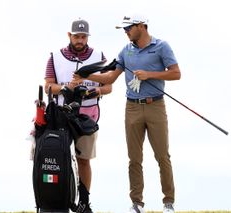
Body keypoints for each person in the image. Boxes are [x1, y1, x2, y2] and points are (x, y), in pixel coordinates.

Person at [73, 14, 181, 213]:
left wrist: (150, 74)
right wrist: (85, 77)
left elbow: (176, 73)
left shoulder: (161, 46)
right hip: (131, 107)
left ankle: (168, 203)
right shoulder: (126, 51)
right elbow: (110, 78)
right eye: (124, 29)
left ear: (141, 26)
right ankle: (136, 204)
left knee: (162, 156)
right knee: (134, 158)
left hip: (155, 105)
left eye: (128, 28)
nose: (125, 32)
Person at [44, 18, 112, 213]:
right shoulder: (55, 57)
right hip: (61, 115)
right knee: (59, 157)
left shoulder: (99, 56)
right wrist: (66, 88)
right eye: (77, 36)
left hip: (88, 116)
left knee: (84, 160)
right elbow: (48, 85)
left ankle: (84, 202)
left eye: (83, 36)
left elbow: (108, 85)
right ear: (69, 36)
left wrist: (97, 91)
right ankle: (59, 200)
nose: (80, 40)